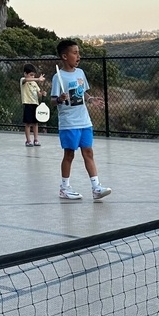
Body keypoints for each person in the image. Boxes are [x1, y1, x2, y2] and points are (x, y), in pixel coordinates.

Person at [51, 39, 111, 200]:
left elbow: (82, 91)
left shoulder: (80, 73)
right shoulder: (58, 77)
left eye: (79, 53)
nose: (78, 56)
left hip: (84, 121)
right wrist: (59, 99)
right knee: (69, 154)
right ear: (64, 56)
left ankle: (96, 187)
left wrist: (91, 99)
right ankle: (64, 188)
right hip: (69, 123)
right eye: (75, 53)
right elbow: (52, 100)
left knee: (88, 152)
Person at [19, 64, 47, 146]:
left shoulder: (35, 83)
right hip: (27, 104)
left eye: (33, 75)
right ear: (25, 74)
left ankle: (36, 139)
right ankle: (28, 140)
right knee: (28, 123)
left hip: (35, 104)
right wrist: (38, 79)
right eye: (31, 75)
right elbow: (27, 80)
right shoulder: (23, 80)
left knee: (35, 123)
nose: (32, 77)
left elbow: (38, 94)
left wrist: (42, 93)